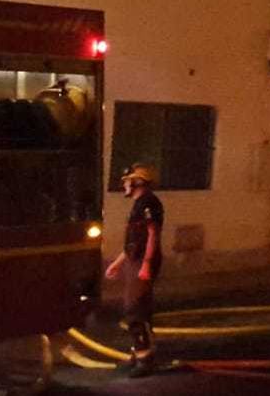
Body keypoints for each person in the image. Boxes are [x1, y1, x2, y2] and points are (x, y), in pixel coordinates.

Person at [105, 162, 165, 377]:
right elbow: (133, 241)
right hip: (135, 260)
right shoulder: (139, 204)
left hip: (142, 262)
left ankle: (144, 359)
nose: (124, 185)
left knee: (135, 310)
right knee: (138, 309)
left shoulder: (149, 203)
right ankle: (140, 353)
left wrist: (146, 264)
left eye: (127, 181)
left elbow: (152, 235)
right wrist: (118, 263)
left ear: (138, 182)